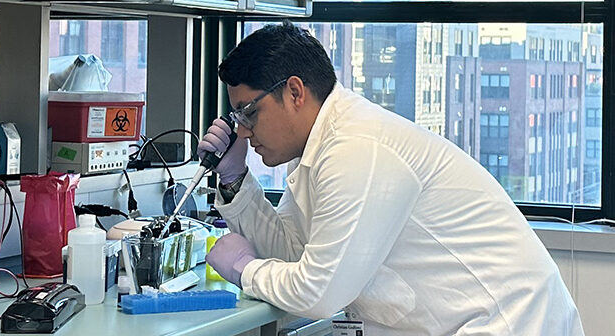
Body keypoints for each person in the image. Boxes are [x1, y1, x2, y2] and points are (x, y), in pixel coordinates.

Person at [198, 21, 584, 335]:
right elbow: (294, 253)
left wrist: (244, 268)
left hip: (508, 325)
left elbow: (318, 292)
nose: (243, 131)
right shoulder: (317, 151)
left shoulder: (356, 149)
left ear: (295, 92)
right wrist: (236, 178)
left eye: (247, 112)